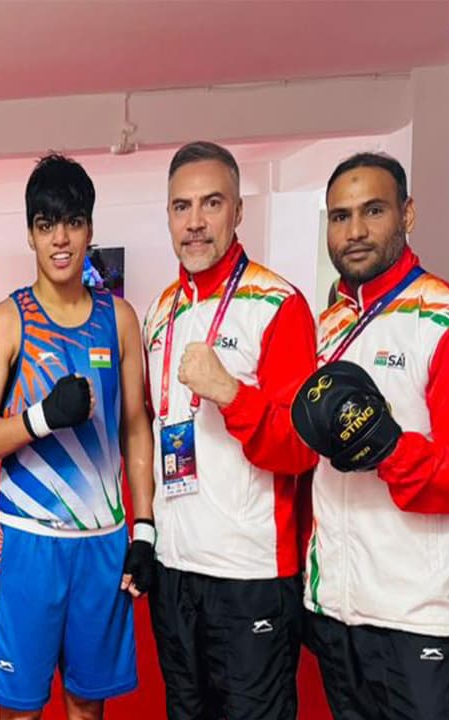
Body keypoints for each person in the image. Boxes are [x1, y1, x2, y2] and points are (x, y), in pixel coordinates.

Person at [291, 152, 449, 720]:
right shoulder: (329, 325)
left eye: (373, 211)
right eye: (339, 217)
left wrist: (389, 447)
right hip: (337, 609)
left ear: (407, 214)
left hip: (418, 617)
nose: (355, 231)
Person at [0, 154, 155, 720]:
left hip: (102, 541)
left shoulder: (119, 319)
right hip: (28, 545)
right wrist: (40, 417)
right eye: (46, 225)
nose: (60, 239)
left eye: (72, 222)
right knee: (20, 709)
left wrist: (143, 529)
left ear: (90, 228)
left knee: (86, 705)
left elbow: (136, 425)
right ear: (30, 233)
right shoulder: (7, 322)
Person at [140, 141, 317, 719]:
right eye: (181, 207)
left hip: (250, 574)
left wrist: (232, 394)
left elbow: (298, 451)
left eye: (211, 203)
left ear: (238, 211)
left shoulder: (279, 305)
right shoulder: (159, 311)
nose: (194, 223)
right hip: (175, 568)